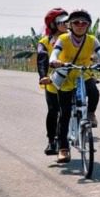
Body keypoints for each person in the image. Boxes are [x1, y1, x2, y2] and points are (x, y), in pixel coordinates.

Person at [48, 10, 100, 164]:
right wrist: (54, 61)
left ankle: (90, 113)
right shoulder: (63, 39)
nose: (80, 25)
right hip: (66, 76)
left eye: (84, 23)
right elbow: (55, 53)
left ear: (88, 26)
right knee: (64, 114)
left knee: (94, 92)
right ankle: (63, 149)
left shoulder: (92, 40)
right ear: (70, 25)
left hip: (84, 73)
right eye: (76, 22)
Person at [38, 8, 68, 156]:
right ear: (52, 25)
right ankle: (51, 140)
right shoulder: (44, 42)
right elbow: (42, 59)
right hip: (54, 81)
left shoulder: (74, 38)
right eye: (62, 22)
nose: (66, 24)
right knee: (54, 111)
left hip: (74, 78)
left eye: (67, 21)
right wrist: (43, 76)